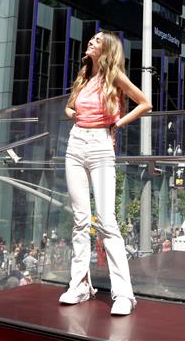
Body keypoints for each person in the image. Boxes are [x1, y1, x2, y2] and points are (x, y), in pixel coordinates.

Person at [59, 32, 151, 316]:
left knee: (107, 221)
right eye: (92, 39)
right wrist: (72, 114)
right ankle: (80, 285)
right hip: (75, 144)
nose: (91, 41)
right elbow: (69, 107)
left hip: (100, 146)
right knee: (80, 220)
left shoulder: (115, 77)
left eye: (97, 40)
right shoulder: (84, 77)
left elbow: (145, 103)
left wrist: (116, 125)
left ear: (107, 49)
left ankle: (124, 294)